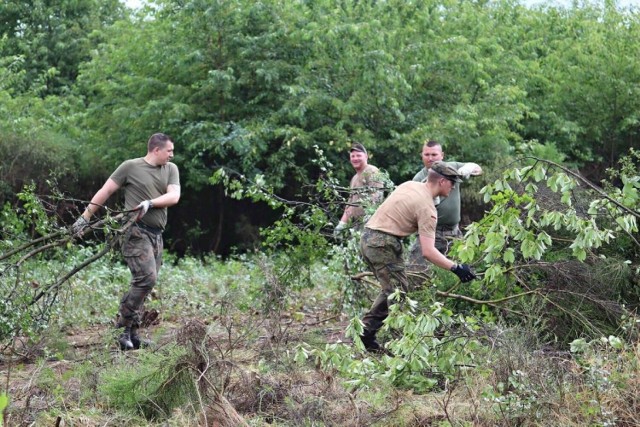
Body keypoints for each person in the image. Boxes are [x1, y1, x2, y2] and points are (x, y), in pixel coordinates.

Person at [72, 133, 180, 350]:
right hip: (135, 232)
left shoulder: (171, 169)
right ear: (156, 150)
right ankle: (122, 329)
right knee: (146, 279)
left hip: (156, 234)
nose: (172, 155)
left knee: (147, 283)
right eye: (169, 151)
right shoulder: (130, 167)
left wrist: (150, 202)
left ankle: (133, 333)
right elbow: (106, 190)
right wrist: (85, 217)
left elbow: (174, 196)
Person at [358, 162, 476, 351]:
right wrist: (456, 268)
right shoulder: (427, 209)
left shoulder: (409, 185)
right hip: (382, 243)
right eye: (452, 183)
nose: (454, 187)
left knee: (393, 290)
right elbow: (428, 252)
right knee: (398, 293)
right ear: (443, 181)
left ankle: (367, 334)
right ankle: (392, 341)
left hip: (367, 239)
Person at [406, 140, 482, 286]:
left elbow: (478, 169)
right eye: (426, 154)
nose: (430, 158)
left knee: (464, 274)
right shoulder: (418, 178)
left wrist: (469, 168)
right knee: (416, 276)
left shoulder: (452, 168)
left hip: (453, 233)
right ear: (422, 156)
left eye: (434, 154)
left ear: (442, 155)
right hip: (429, 234)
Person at [334, 142, 384, 237]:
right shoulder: (354, 178)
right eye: (353, 156)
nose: (355, 158)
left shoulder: (372, 171)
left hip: (371, 225)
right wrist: (342, 224)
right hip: (357, 225)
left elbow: (377, 197)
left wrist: (368, 222)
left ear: (366, 156)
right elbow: (350, 203)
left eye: (358, 155)